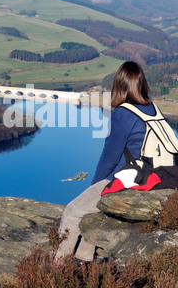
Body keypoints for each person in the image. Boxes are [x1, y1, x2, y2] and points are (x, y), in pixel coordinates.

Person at [55, 61, 158, 264]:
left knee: (73, 211)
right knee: (91, 214)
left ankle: (59, 267)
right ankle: (83, 260)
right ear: (142, 84)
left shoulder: (123, 113)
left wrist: (94, 186)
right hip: (149, 177)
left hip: (125, 180)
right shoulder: (152, 109)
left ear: (118, 85)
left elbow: (109, 159)